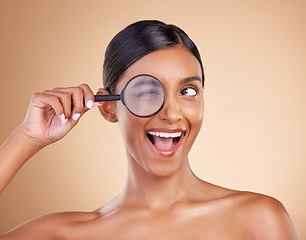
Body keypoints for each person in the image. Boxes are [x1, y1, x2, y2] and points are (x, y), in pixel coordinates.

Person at [0, 20, 297, 239]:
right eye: (147, 91)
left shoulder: (258, 219)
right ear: (108, 106)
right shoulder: (62, 235)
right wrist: (26, 139)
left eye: (188, 91)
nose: (171, 113)